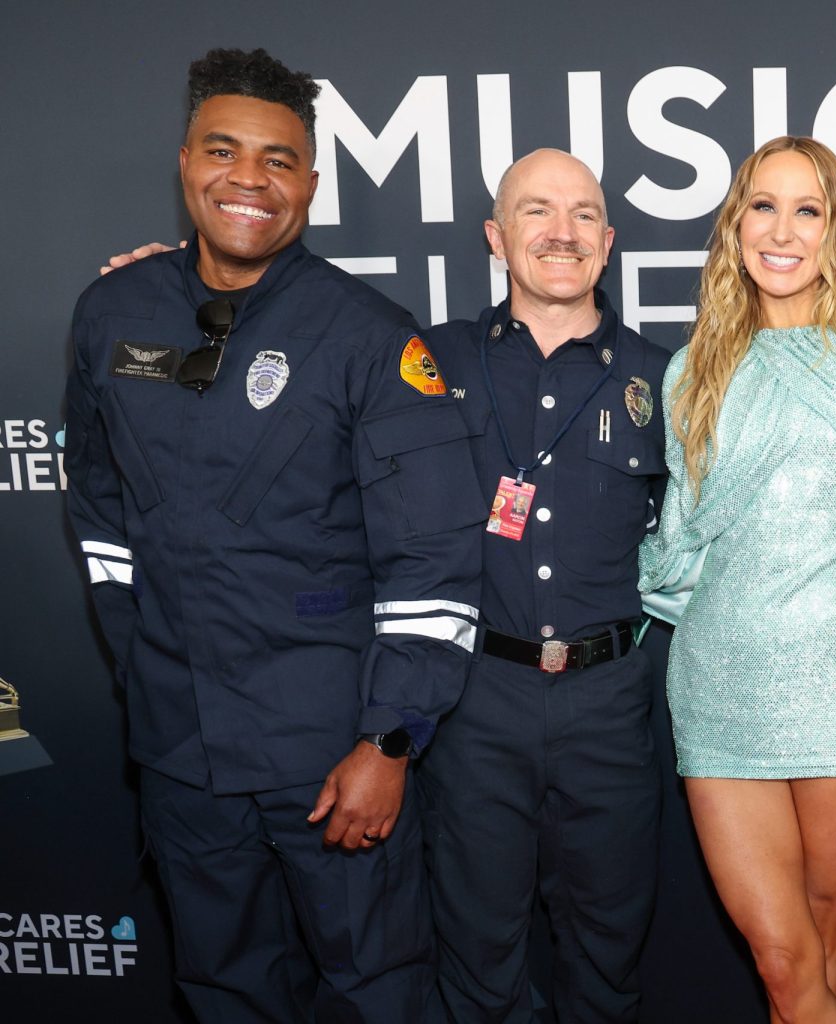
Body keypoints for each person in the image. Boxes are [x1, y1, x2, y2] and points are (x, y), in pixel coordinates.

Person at [65, 48, 483, 1022]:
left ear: (311, 183)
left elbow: (433, 559)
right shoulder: (112, 312)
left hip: (330, 755)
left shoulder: (371, 335)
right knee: (223, 992)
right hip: (179, 753)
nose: (248, 179)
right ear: (185, 163)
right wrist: (146, 665)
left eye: (278, 159)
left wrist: (388, 739)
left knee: (379, 993)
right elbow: (97, 507)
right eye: (224, 150)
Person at [639, 136, 836, 1023]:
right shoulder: (693, 370)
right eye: (762, 208)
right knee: (778, 956)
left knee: (823, 925)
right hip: (721, 684)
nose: (782, 231)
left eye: (807, 210)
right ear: (735, 228)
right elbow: (682, 529)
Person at [420, 149, 669, 1024]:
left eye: (583, 215)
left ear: (609, 241)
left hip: (612, 706)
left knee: (607, 958)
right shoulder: (427, 361)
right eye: (536, 211)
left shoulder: (666, 377)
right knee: (478, 959)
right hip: (475, 704)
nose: (562, 232)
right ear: (496, 237)